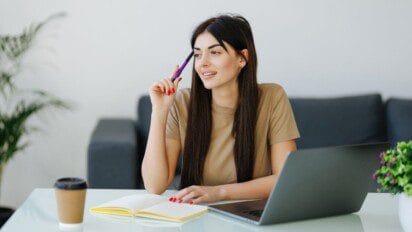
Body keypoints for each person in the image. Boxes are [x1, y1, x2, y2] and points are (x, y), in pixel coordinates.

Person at [141, 14, 300, 204]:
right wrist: (159, 111)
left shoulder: (272, 97)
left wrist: (220, 192)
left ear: (242, 58)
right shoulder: (182, 101)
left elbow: (286, 180)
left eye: (215, 52)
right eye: (198, 54)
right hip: (195, 213)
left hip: (252, 211)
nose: (203, 63)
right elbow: (154, 186)